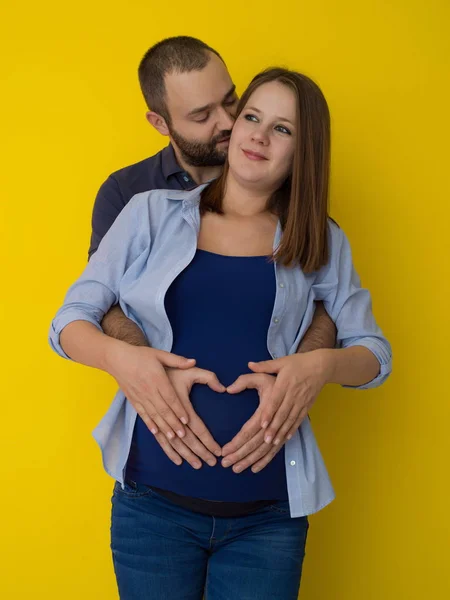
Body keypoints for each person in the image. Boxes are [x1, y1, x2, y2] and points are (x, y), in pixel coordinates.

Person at [49, 66, 392, 599]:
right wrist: (125, 359)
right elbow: (68, 321)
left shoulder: (321, 240)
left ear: (306, 151)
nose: (258, 135)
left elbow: (374, 353)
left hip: (268, 520)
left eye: (283, 129)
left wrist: (317, 367)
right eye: (252, 117)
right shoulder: (149, 214)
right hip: (152, 510)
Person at [89, 36, 338, 471]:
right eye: (202, 115)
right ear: (160, 123)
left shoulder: (271, 170)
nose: (229, 122)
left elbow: (327, 289)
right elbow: (99, 302)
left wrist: (306, 367)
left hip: (268, 473)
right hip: (157, 464)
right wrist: (143, 361)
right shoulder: (130, 195)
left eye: (231, 100)